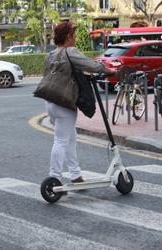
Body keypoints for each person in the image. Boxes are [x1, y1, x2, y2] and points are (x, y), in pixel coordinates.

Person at [43, 21, 115, 183]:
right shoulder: (70, 51)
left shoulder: (51, 54)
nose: (75, 38)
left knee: (70, 137)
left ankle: (75, 174)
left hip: (50, 102)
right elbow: (92, 65)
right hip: (64, 103)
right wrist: (109, 70)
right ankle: (54, 177)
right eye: (73, 35)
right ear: (68, 37)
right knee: (61, 140)